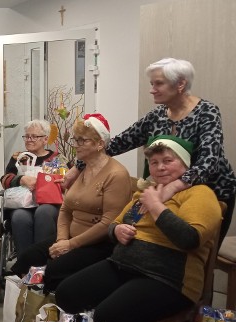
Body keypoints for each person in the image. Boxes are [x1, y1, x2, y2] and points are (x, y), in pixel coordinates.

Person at [55, 135, 222, 322]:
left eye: (168, 161)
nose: (161, 167)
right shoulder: (146, 192)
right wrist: (116, 230)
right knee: (67, 293)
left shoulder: (200, 194)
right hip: (123, 265)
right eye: (154, 163)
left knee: (109, 315)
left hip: (168, 279)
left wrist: (157, 208)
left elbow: (190, 239)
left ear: (186, 165)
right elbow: (114, 224)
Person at [65, 58, 235, 242]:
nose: (152, 89)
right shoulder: (156, 116)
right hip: (165, 194)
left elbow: (209, 160)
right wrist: (78, 166)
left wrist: (174, 186)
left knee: (198, 253)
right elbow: (115, 144)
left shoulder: (207, 112)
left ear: (180, 84)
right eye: (151, 83)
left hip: (210, 193)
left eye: (158, 83)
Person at [10, 114, 132, 292]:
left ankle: (52, 308)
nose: (76, 145)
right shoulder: (83, 169)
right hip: (70, 237)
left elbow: (109, 222)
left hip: (97, 243)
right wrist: (61, 240)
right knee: (27, 259)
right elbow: (66, 209)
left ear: (100, 144)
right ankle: (31, 309)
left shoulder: (116, 174)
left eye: (83, 141)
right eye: (76, 140)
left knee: (54, 268)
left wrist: (70, 245)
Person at [0, 119, 59, 258]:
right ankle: (24, 265)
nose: (29, 139)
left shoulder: (56, 159)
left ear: (45, 139)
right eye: (26, 136)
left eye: (34, 136)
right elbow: (4, 179)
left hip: (48, 204)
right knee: (20, 217)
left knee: (43, 213)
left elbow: (66, 181)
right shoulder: (19, 158)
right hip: (22, 204)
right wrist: (21, 179)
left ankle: (41, 263)